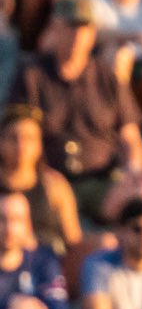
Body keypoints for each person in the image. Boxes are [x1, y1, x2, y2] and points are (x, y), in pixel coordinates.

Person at [9, 0, 142, 228]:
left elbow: (130, 138)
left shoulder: (107, 77)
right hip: (49, 181)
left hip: (103, 182)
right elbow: (19, 133)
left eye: (84, 29)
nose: (77, 36)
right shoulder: (31, 75)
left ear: (93, 33)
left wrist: (132, 173)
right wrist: (38, 173)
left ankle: (132, 259)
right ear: (55, 28)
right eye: (71, 28)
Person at [0, 106, 83, 275]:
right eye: (13, 138)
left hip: (45, 269)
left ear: (39, 145)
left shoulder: (54, 185)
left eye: (29, 138)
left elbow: (73, 241)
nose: (21, 145)